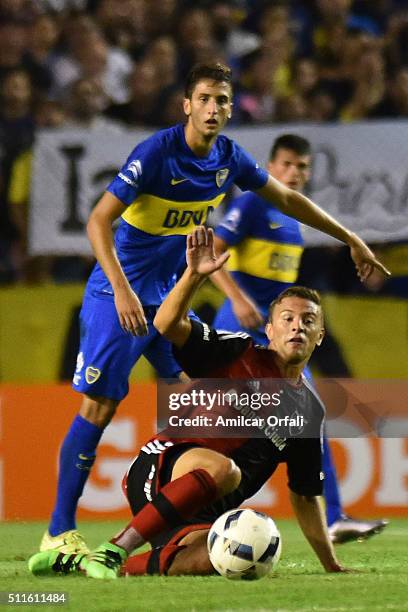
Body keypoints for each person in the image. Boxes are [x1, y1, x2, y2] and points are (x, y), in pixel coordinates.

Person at [41, 62, 389, 556]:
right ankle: (59, 531)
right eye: (204, 98)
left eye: (222, 100)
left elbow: (287, 198)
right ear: (187, 104)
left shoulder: (228, 157)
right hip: (118, 294)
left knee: (197, 403)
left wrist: (350, 237)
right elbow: (98, 221)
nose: (213, 108)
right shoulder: (157, 154)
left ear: (230, 108)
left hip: (170, 293)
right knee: (99, 406)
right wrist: (120, 289)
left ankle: (178, 520)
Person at [29, 226, 348, 579]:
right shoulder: (236, 350)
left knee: (221, 561)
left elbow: (304, 496)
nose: (297, 328)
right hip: (161, 470)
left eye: (308, 322)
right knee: (226, 470)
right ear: (269, 329)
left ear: (320, 336)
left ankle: (82, 565)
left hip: (202, 510)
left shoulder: (307, 411)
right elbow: (166, 323)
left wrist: (330, 564)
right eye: (287, 319)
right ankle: (116, 547)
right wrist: (194, 276)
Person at [211, 133, 387, 544]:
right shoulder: (253, 203)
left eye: (302, 167)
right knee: (228, 426)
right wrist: (237, 298)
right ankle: (197, 513)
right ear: (271, 167)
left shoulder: (292, 222)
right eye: (287, 164)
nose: (294, 173)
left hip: (272, 337)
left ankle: (336, 517)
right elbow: (213, 254)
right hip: (239, 331)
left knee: (311, 415)